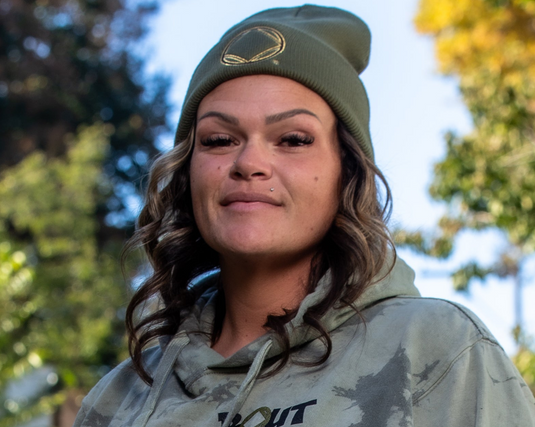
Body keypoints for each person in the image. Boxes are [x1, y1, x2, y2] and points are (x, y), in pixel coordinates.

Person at [74, 5, 535, 427]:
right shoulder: (119, 399)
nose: (249, 163)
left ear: (347, 172)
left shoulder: (438, 353)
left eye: (293, 140)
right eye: (219, 140)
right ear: (187, 171)